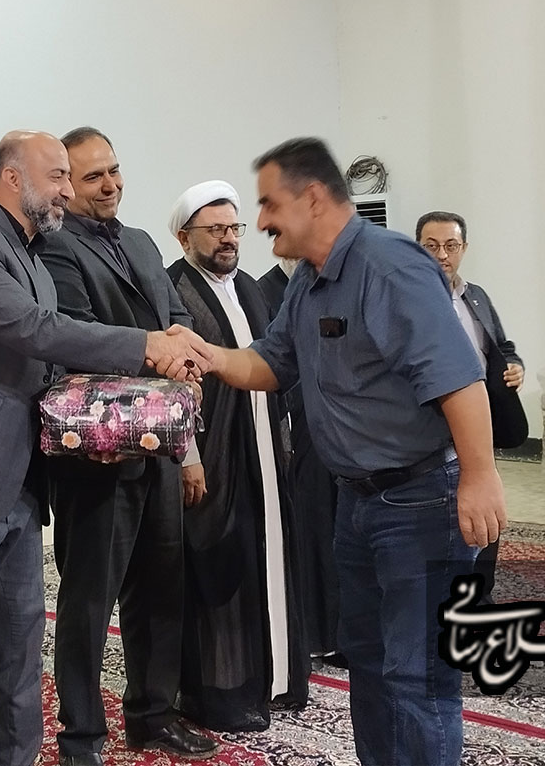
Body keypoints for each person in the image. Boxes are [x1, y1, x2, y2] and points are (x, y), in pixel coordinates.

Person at [0, 130, 210, 766]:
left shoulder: (31, 254)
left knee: (18, 657)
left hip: (21, 482)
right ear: (13, 178)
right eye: (58, 175)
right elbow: (36, 330)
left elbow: (50, 367)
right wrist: (147, 347)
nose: (68, 189)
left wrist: (98, 426)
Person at [200, 137, 505, 766]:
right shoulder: (309, 281)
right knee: (368, 660)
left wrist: (480, 477)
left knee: (418, 675)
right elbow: (271, 362)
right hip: (357, 504)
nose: (260, 220)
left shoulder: (389, 267)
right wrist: (206, 355)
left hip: (421, 502)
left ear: (313, 197)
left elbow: (459, 379)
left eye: (269, 203)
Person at [37, 129, 220, 764]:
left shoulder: (141, 241)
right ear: (67, 185)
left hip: (159, 448)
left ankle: (152, 716)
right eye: (93, 177)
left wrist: (183, 358)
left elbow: (178, 319)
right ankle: (81, 736)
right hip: (97, 455)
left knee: (160, 590)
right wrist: (162, 358)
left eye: (114, 170)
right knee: (88, 603)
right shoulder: (54, 247)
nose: (110, 184)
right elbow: (79, 338)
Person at [166, 180, 309, 732]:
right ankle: (219, 691)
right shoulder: (175, 290)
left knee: (267, 556)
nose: (228, 239)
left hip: (266, 451)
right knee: (219, 564)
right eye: (215, 230)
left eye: (233, 228)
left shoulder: (250, 287)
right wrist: (188, 457)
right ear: (185, 238)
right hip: (215, 456)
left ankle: (272, 677)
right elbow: (173, 384)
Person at [415, 210, 525, 599]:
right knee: (445, 522)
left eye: (451, 245)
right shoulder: (407, 300)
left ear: (464, 248)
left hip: (481, 426)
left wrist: (515, 366)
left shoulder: (475, 296)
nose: (442, 255)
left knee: (486, 514)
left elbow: (502, 347)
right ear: (417, 248)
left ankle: (481, 595)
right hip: (431, 431)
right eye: (431, 246)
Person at [259, 257, 342, 666]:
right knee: (311, 530)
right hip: (298, 430)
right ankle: (315, 632)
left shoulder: (332, 286)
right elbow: (271, 366)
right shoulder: (265, 290)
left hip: (339, 429)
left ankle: (340, 630)